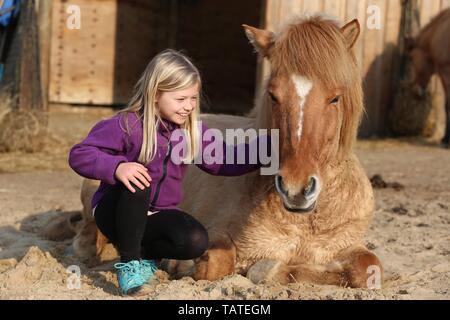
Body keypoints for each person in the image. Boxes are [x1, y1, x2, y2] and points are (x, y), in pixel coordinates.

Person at [68, 49, 270, 295]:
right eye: (181, 99)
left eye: (193, 98)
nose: (189, 106)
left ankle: (145, 256)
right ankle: (130, 264)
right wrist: (118, 167)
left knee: (195, 241)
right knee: (139, 179)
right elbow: (80, 154)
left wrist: (268, 149)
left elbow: (222, 160)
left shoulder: (191, 132)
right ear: (155, 94)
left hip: (156, 216)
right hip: (115, 213)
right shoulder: (127, 125)